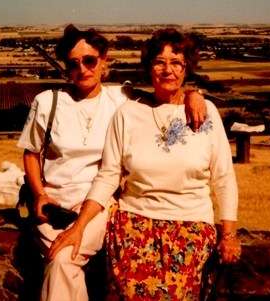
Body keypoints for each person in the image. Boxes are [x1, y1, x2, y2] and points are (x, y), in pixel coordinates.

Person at [18, 24, 207, 301]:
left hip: (98, 206)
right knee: (59, 259)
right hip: (53, 205)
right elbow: (31, 153)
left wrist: (194, 94)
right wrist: (39, 195)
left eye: (89, 60)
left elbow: (166, 91)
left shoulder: (121, 98)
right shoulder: (47, 102)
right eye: (73, 64)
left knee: (62, 260)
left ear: (104, 61)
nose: (82, 69)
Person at [50, 28, 240, 301]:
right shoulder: (127, 113)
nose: (168, 70)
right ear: (149, 68)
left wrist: (229, 234)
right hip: (133, 223)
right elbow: (108, 176)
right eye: (159, 62)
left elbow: (224, 177)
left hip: (190, 225)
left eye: (176, 63)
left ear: (187, 69)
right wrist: (78, 227)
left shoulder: (204, 112)